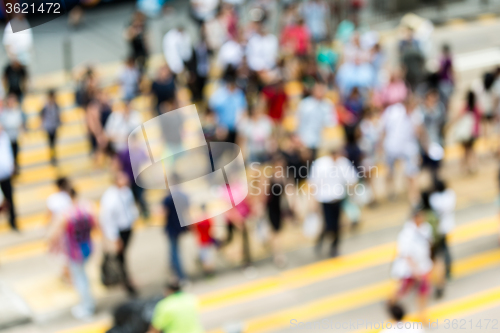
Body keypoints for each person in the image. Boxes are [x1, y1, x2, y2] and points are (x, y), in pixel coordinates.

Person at [49, 188, 97, 319]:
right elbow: (96, 224)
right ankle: (89, 302)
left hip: (75, 251)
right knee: (84, 277)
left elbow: (54, 234)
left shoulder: (65, 214)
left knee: (80, 279)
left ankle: (87, 306)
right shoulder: (87, 207)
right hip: (87, 246)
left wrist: (52, 245)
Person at [309, 147, 358, 257]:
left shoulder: (343, 163)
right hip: (325, 199)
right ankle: (323, 239)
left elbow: (352, 179)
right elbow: (313, 183)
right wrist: (313, 201)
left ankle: (334, 246)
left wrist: (353, 196)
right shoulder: (320, 164)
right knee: (329, 224)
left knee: (337, 225)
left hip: (339, 198)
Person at [390, 207, 433, 323]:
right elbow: (405, 254)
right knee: (401, 291)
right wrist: (415, 271)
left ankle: (423, 316)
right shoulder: (406, 233)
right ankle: (391, 306)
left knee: (423, 292)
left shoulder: (426, 228)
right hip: (409, 270)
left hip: (422, 267)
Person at [100, 172, 139, 296]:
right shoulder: (110, 197)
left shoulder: (126, 192)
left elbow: (130, 207)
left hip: (127, 227)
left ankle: (122, 279)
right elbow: (107, 218)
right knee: (120, 257)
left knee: (121, 255)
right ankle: (126, 282)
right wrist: (114, 237)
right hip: (118, 231)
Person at [380, 96, 423, 205]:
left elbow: (418, 132)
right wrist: (380, 145)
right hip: (391, 146)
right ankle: (391, 192)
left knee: (412, 173)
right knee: (390, 171)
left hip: (408, 148)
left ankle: (414, 197)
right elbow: (384, 129)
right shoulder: (392, 111)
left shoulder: (415, 114)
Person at [296, 81, 336, 163]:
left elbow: (331, 123)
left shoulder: (327, 105)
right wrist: (299, 139)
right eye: (318, 89)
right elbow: (298, 122)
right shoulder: (305, 104)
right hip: (305, 141)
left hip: (321, 142)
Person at [429, 180, 456, 297]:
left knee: (438, 252)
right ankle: (449, 270)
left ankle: (442, 274)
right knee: (446, 249)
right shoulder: (450, 195)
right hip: (448, 226)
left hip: (438, 229)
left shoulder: (434, 199)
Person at [208, 67, 247, 143]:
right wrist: (217, 126)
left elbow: (243, 111)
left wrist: (241, 126)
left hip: (236, 128)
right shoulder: (219, 95)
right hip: (221, 128)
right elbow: (211, 111)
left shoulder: (239, 94)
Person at [418, 89, 446, 183]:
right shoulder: (421, 110)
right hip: (426, 142)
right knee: (426, 165)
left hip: (436, 140)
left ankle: (435, 181)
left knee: (436, 165)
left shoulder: (439, 108)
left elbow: (442, 125)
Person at [451, 90, 481, 174]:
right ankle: (473, 166)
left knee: (465, 151)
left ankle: (464, 168)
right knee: (471, 150)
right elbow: (479, 118)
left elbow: (458, 117)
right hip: (473, 132)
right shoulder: (476, 107)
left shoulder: (465, 106)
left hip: (465, 133)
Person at [237, 100, 274, 164]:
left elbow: (271, 138)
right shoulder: (246, 123)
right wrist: (241, 156)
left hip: (265, 153)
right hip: (251, 154)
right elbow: (241, 141)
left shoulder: (267, 122)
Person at [162, 193, 188, 281]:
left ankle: (179, 275)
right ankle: (176, 272)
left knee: (174, 253)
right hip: (179, 227)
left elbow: (164, 213)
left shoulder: (167, 199)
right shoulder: (181, 196)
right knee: (175, 251)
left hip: (172, 228)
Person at [0, 94, 24, 172]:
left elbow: (19, 123)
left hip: (15, 137)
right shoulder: (4, 113)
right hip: (7, 138)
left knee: (15, 154)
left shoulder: (16, 111)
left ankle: (15, 168)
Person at [0, 125, 17, 231]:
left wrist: (12, 165)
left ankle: (13, 221)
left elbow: (8, 153)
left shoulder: (4, 137)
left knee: (10, 198)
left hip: (5, 173)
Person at [40, 89, 61, 165]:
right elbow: (42, 116)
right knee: (50, 143)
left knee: (54, 142)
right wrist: (42, 125)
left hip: (54, 126)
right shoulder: (45, 106)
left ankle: (54, 156)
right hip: (48, 126)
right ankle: (52, 157)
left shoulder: (56, 105)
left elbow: (58, 115)